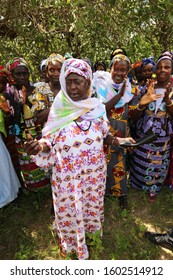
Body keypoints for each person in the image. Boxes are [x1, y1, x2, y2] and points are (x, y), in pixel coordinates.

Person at [23, 58, 135, 260]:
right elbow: (48, 141)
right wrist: (37, 146)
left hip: (93, 176)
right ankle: (71, 244)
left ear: (88, 83)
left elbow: (105, 135)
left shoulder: (96, 108)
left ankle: (91, 238)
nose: (72, 87)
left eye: (78, 81)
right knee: (69, 211)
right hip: (67, 178)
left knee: (91, 207)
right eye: (69, 82)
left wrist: (120, 140)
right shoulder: (59, 110)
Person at [92, 53, 137, 208]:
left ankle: (121, 194)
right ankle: (101, 194)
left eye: (123, 70)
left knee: (119, 164)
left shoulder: (130, 88)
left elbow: (133, 113)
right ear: (110, 69)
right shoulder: (100, 85)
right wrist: (119, 95)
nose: (119, 73)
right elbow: (101, 108)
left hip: (121, 132)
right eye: (115, 69)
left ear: (128, 71)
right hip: (103, 134)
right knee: (101, 164)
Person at [129, 51, 173, 201]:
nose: (162, 70)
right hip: (144, 133)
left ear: (171, 70)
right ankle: (136, 183)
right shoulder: (145, 89)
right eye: (159, 67)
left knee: (158, 162)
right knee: (141, 159)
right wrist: (142, 103)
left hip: (163, 136)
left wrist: (168, 101)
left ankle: (153, 189)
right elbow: (133, 117)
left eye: (166, 67)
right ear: (155, 71)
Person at [5, 57, 50, 191]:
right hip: (22, 135)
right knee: (28, 161)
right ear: (12, 76)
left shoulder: (38, 89)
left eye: (25, 73)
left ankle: (48, 187)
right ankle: (34, 190)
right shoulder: (9, 95)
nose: (22, 77)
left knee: (44, 157)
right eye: (18, 74)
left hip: (41, 132)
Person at [0, 65, 20, 208]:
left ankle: (9, 195)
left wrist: (6, 112)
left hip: (4, 135)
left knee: (4, 165)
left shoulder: (6, 95)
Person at [29, 53, 65, 126]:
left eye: (59, 70)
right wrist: (60, 107)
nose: (56, 74)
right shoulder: (41, 89)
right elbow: (39, 118)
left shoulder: (69, 89)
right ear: (47, 72)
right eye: (52, 70)